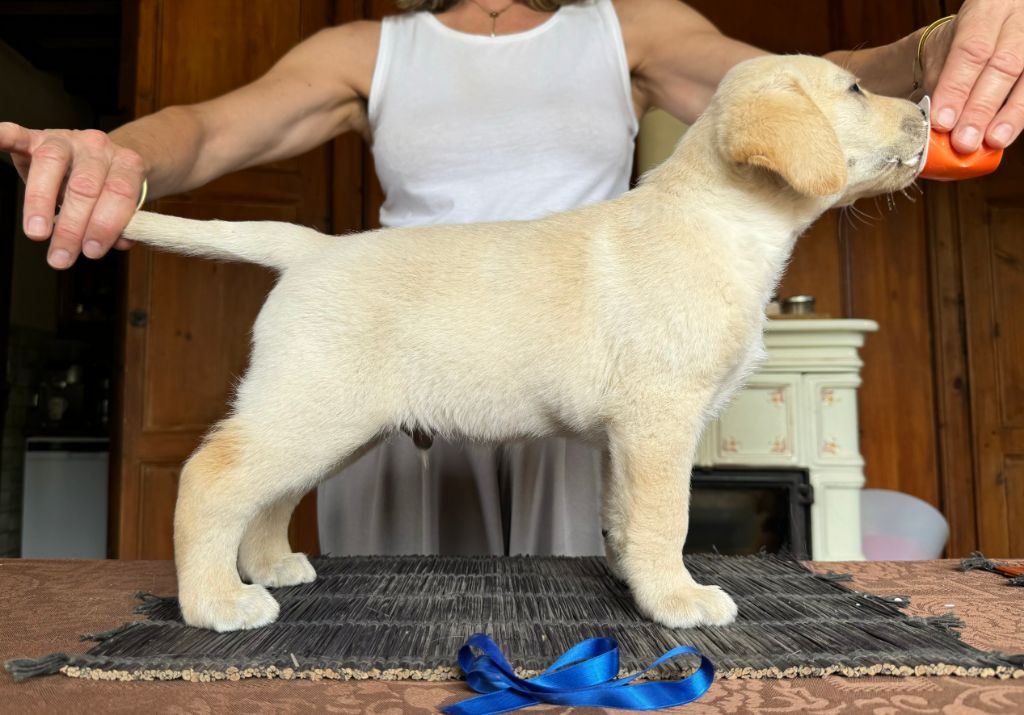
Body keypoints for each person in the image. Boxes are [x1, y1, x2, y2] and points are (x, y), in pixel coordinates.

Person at [2, 0, 1022, 557]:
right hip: (409, 357)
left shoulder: (632, 28)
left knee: (566, 634)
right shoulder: (365, 47)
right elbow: (211, 129)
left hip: (573, 374)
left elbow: (811, 82)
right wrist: (115, 150)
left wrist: (944, 43)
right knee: (378, 640)